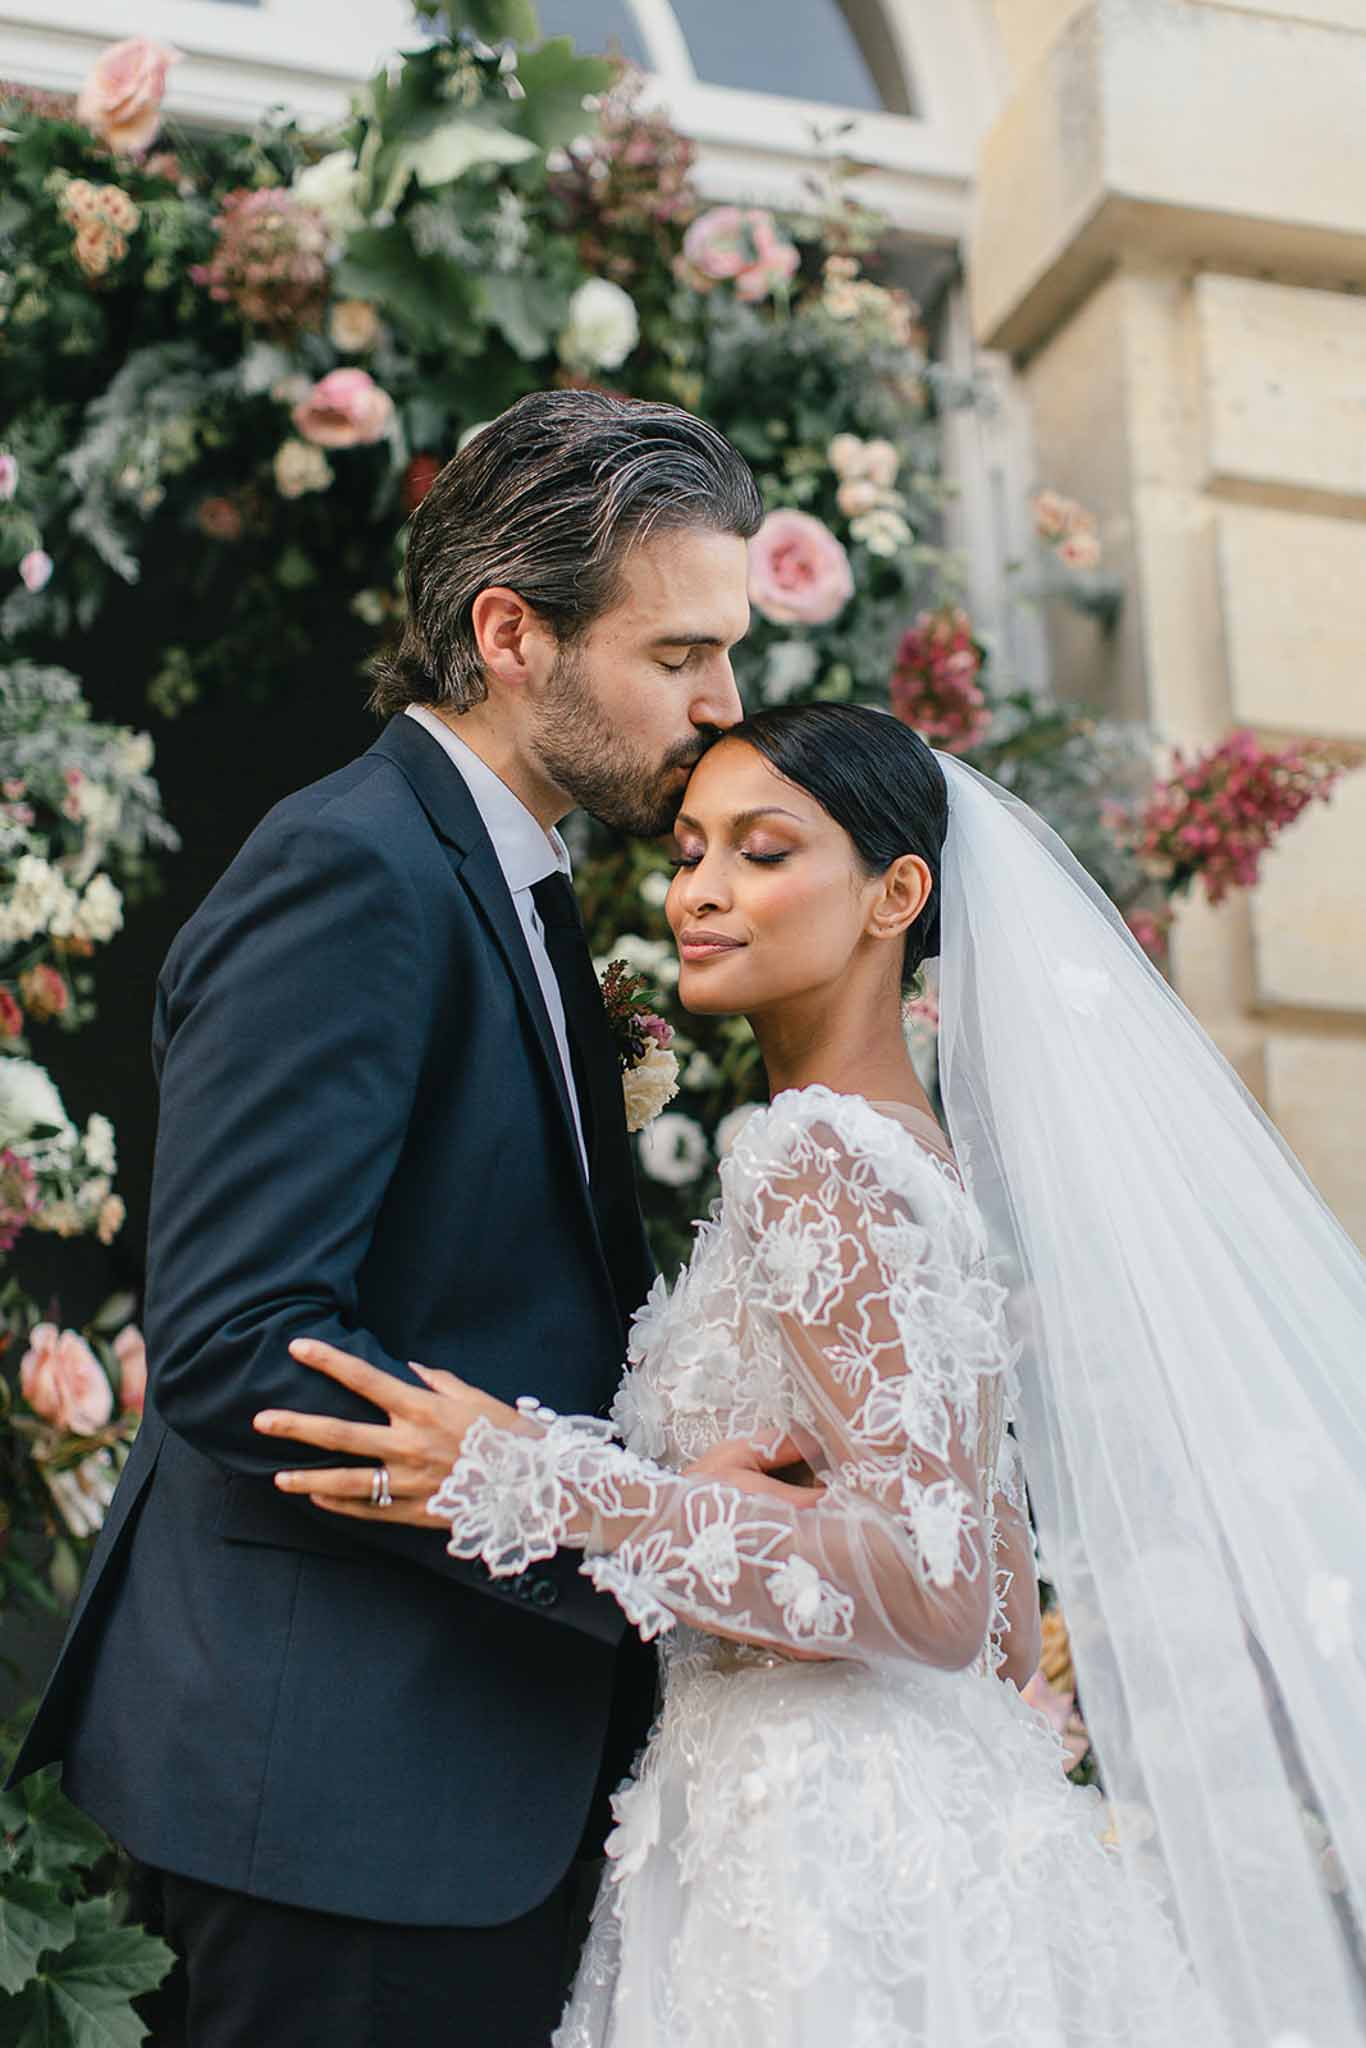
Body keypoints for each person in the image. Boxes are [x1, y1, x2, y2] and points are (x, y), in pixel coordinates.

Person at [260, 703, 1366, 2046]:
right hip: (887, 1816)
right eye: (686, 852)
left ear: (895, 893)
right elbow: (1004, 1610)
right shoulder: (915, 1161)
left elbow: (933, 1593)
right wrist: (720, 1514)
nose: (702, 890)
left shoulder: (822, 1164)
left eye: (762, 851)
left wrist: (539, 1481)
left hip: (829, 1848)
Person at [8, 389, 767, 2047]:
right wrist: (608, 1515)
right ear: (511, 632)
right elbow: (238, 1342)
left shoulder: (511, 879)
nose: (723, 705)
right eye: (679, 656)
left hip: (458, 1783)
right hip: (339, 1798)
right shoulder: (352, 869)